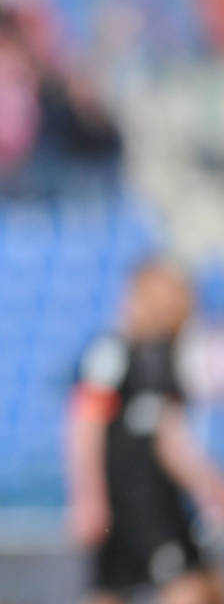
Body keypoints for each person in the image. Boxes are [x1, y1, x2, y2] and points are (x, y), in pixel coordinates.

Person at [67, 258, 224, 604]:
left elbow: (168, 438)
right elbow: (85, 425)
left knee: (197, 584)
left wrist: (207, 484)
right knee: (185, 587)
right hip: (127, 498)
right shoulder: (111, 353)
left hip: (158, 496)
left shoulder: (165, 359)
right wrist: (88, 495)